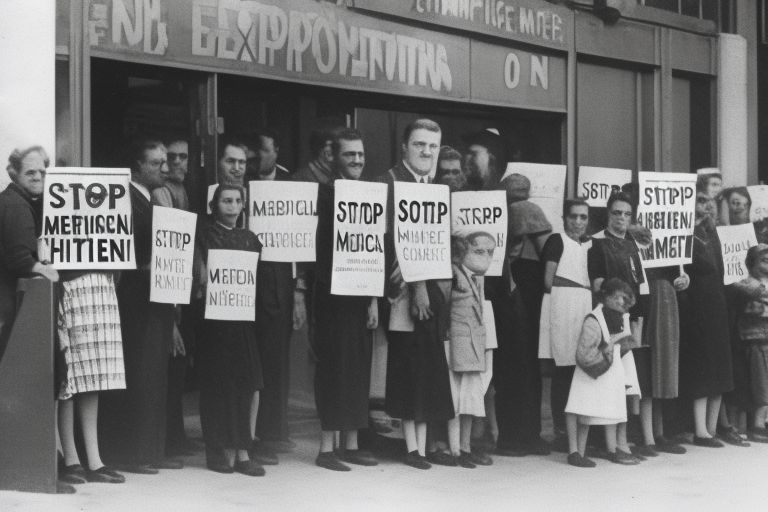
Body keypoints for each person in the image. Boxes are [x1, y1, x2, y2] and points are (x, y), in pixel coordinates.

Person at [376, 119, 455, 470]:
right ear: (405, 146)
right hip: (398, 296)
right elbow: (379, 240)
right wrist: (413, 280)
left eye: (433, 146)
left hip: (432, 296)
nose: (426, 152)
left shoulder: (438, 190)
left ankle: (423, 447)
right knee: (404, 370)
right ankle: (406, 446)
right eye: (420, 144)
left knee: (428, 370)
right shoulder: (387, 183)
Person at [99, 140, 181, 474]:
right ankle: (133, 454)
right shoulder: (127, 201)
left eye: (165, 162)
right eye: (156, 163)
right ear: (137, 166)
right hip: (137, 304)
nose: (164, 168)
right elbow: (122, 253)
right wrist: (146, 267)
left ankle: (148, 451)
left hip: (153, 301)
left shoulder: (151, 200)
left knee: (152, 376)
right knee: (140, 375)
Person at [312, 128, 379, 471]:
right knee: (334, 367)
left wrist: (372, 299)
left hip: (360, 295)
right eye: (349, 154)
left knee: (357, 366)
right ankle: (326, 448)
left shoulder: (370, 196)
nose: (356, 160)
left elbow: (374, 250)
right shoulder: (323, 195)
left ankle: (351, 443)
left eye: (361, 154)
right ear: (334, 157)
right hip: (330, 295)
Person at [196, 184, 266, 476]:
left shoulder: (251, 239)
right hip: (213, 324)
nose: (232, 205)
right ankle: (216, 450)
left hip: (242, 323)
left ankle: (242, 450)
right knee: (215, 386)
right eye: (226, 200)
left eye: (237, 201)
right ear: (215, 205)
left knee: (246, 383)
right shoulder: (204, 236)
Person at [247, 130, 307, 458]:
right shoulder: (243, 183)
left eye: (264, 150)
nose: (259, 157)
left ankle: (275, 429)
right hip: (248, 280)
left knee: (276, 360)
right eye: (255, 151)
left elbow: (299, 243)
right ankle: (252, 432)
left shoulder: (291, 184)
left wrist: (298, 291)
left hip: (281, 282)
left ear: (277, 151)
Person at [489, 173, 552, 457]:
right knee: (525, 365)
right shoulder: (527, 209)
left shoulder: (498, 210)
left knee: (511, 365)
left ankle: (514, 436)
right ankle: (525, 435)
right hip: (525, 286)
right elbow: (549, 248)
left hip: (509, 286)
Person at [587, 191, 645, 464]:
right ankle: (612, 446)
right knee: (611, 380)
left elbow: (639, 284)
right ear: (608, 214)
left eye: (626, 213)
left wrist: (636, 321)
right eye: (616, 212)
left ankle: (622, 441)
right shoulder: (598, 244)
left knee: (626, 382)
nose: (621, 218)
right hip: (610, 318)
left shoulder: (633, 245)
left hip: (628, 317)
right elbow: (598, 286)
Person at [150, 138, 197, 458]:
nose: (177, 163)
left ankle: (176, 436)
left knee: (179, 369)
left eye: (184, 157)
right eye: (172, 157)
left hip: (183, 293)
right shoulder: (160, 196)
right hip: (167, 297)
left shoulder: (183, 192)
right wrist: (173, 317)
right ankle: (167, 441)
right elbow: (165, 256)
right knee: (169, 366)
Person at [677, 186, 735, 447]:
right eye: (701, 201)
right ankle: (701, 430)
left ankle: (711, 428)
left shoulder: (715, 235)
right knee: (703, 368)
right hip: (698, 306)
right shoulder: (686, 236)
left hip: (717, 305)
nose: (707, 206)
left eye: (709, 201)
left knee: (720, 367)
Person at [565, 278, 638, 467]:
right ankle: (574, 451)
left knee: (585, 413)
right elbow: (584, 354)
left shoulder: (615, 318)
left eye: (625, 299)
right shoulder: (594, 319)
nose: (622, 303)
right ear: (606, 297)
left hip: (598, 372)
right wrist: (608, 348)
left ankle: (578, 453)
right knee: (577, 408)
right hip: (587, 372)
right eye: (618, 298)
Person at [538, 198, 592, 453]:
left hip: (584, 307)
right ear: (564, 218)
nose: (578, 222)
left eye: (583, 217)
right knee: (563, 368)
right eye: (573, 217)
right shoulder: (557, 241)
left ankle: (580, 429)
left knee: (581, 367)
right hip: (561, 306)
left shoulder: (592, 244)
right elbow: (548, 280)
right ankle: (559, 428)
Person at [0, 146, 59, 358]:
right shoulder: (17, 206)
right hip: (5, 305)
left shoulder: (11, 200)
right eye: (30, 172)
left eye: (42, 172)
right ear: (14, 173)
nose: (38, 177)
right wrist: (48, 271)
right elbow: (19, 259)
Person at [446, 232, 497, 468]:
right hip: (456, 344)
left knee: (469, 398)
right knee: (456, 399)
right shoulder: (454, 274)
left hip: (472, 345)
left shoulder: (475, 278)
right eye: (479, 251)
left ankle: (464, 446)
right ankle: (455, 448)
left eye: (490, 252)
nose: (485, 257)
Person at [730, 244, 768, 443]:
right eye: (763, 259)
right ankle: (758, 425)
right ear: (751, 263)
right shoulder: (748, 284)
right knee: (761, 384)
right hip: (755, 339)